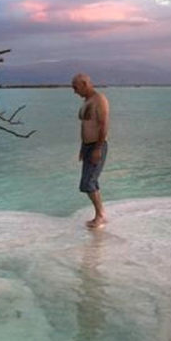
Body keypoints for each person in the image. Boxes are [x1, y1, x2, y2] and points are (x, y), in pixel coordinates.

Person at [72, 73, 110, 228]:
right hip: (87, 146)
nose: (74, 91)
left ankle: (100, 215)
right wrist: (82, 148)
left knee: (88, 183)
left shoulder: (99, 99)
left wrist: (98, 148)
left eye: (75, 87)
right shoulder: (86, 101)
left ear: (84, 83)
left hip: (97, 146)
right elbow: (85, 126)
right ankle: (100, 214)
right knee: (90, 181)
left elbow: (103, 125)